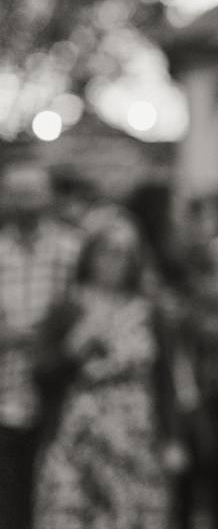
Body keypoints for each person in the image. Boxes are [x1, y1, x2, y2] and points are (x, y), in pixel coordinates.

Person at [32, 206, 178, 529]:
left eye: (124, 253)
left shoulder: (147, 311)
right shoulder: (67, 307)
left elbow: (165, 378)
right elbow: (41, 375)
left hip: (134, 436)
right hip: (78, 436)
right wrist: (74, 347)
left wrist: (172, 438)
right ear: (90, 254)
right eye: (107, 251)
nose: (114, 261)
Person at [0, 163, 82, 529]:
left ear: (48, 196)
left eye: (32, 192)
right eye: (17, 193)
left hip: (58, 395)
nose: (25, 202)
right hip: (6, 392)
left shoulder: (72, 249)